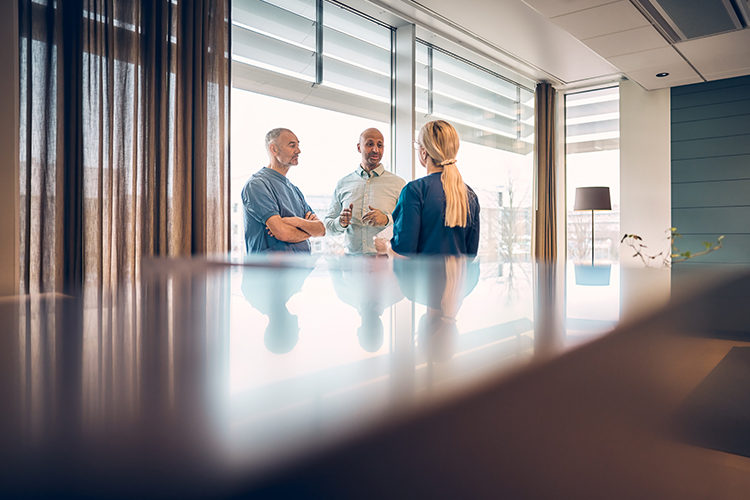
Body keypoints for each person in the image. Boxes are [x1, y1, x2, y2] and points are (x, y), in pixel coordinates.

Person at [374, 120, 480, 256]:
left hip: (422, 277)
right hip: (459, 277)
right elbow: (471, 254)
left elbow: (403, 254)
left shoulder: (414, 191)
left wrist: (386, 246)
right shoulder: (470, 195)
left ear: (424, 152)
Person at [241, 128, 325, 253]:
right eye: (292, 146)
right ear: (273, 149)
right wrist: (308, 231)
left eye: (298, 145)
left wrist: (297, 221)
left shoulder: (295, 190)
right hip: (269, 271)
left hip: (298, 271)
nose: (298, 151)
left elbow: (321, 230)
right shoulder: (257, 184)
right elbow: (282, 233)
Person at [324, 128, 405, 255]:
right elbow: (328, 226)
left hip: (385, 262)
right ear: (358, 147)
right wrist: (340, 222)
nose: (375, 150)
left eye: (380, 145)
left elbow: (407, 224)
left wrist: (386, 219)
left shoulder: (398, 184)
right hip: (351, 264)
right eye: (370, 144)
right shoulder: (343, 184)